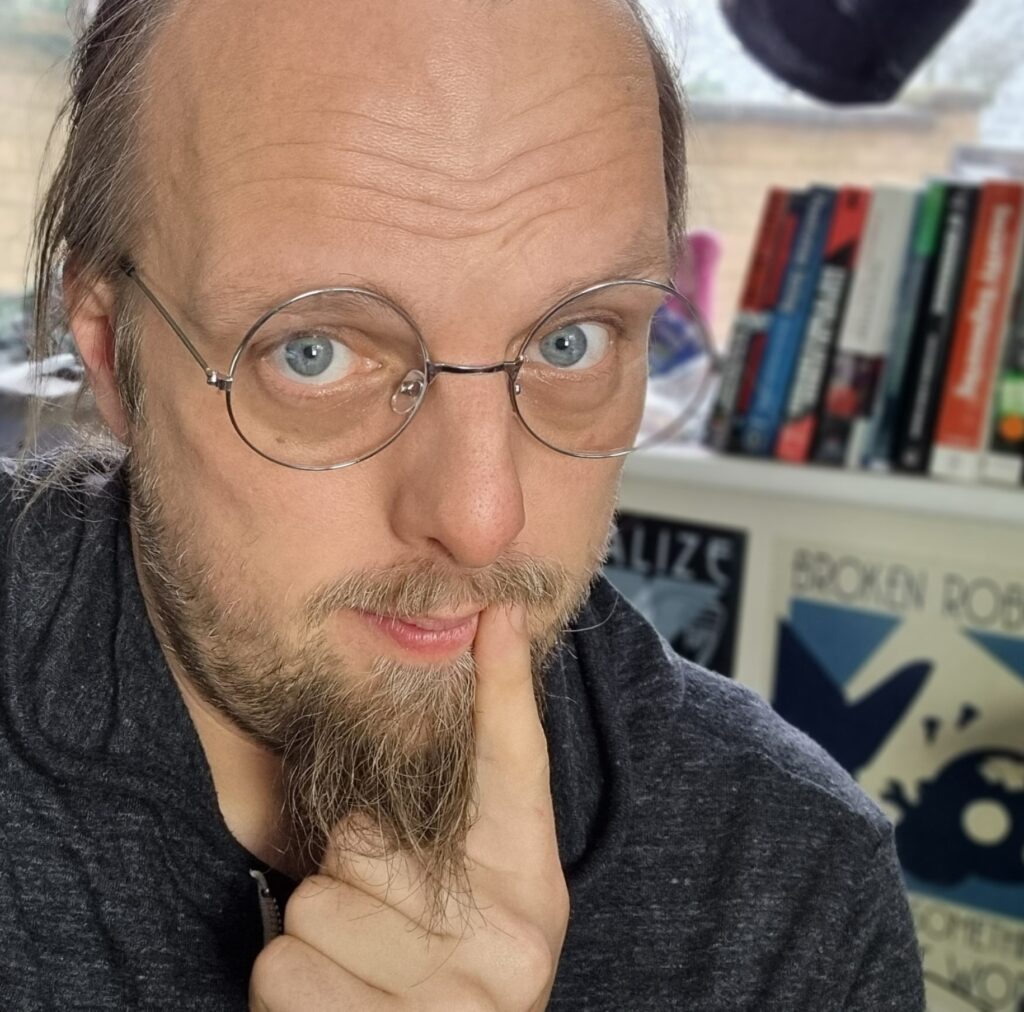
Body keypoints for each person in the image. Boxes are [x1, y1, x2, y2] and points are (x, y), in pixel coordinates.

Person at [0, 0, 924, 1008]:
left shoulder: (792, 884)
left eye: (572, 339)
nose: (483, 519)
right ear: (111, 352)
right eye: (313, 353)